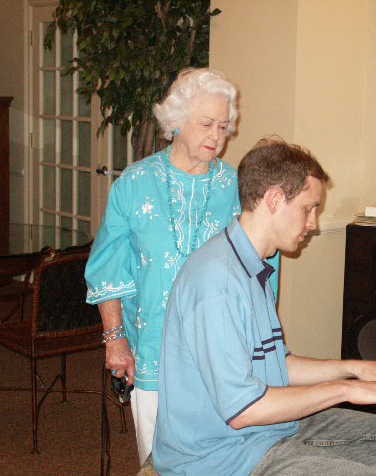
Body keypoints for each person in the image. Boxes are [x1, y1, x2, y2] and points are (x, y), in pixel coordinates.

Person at [153, 138, 376, 476]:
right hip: (221, 459)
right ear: (275, 199)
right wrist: (345, 389)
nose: (314, 224)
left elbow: (279, 366)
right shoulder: (217, 283)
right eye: (309, 208)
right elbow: (245, 410)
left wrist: (354, 368)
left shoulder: (251, 264)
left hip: (268, 434)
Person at [85, 68, 278, 465]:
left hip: (222, 353)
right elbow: (109, 269)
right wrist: (115, 339)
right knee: (159, 460)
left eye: (224, 127)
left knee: (222, 458)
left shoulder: (237, 189)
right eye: (206, 124)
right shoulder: (134, 183)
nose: (216, 137)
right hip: (152, 350)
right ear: (176, 121)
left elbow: (261, 270)